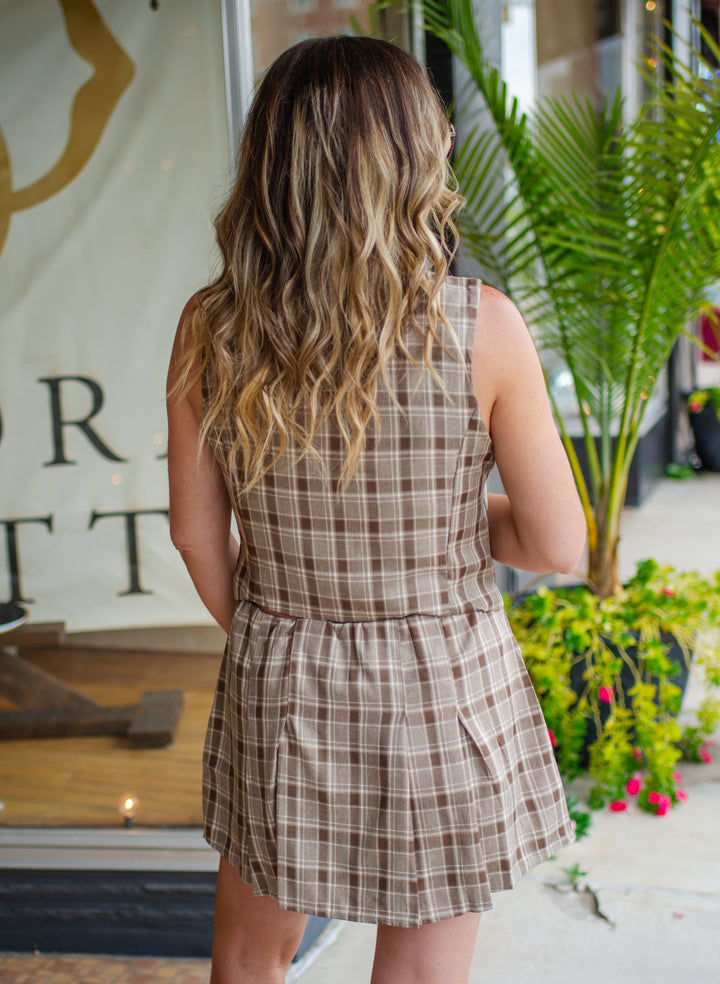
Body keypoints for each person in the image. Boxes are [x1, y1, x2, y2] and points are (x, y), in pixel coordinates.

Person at [167, 36, 586, 984]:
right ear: (411, 157)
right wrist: (444, 530)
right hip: (440, 679)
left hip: (284, 671)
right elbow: (557, 543)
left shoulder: (212, 324)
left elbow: (198, 533)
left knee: (248, 951)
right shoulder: (482, 325)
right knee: (421, 968)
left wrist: (281, 627)